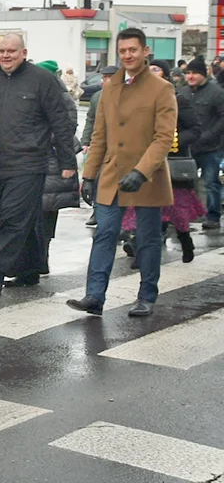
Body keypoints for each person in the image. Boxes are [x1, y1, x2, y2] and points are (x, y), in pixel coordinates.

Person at [68, 28, 177, 317]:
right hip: (112, 175)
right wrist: (89, 175)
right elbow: (100, 136)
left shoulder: (161, 89)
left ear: (145, 52)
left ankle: (147, 295)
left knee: (147, 237)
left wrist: (141, 172)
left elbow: (163, 138)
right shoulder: (109, 89)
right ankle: (94, 295)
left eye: (133, 50)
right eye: (123, 50)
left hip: (146, 177)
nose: (128, 55)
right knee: (104, 233)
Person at [0, 34, 77, 294]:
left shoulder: (43, 80)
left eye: (12, 51)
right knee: (7, 220)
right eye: (2, 51)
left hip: (29, 162)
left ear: (24, 53)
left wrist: (68, 160)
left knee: (14, 218)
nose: (7, 55)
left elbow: (61, 122)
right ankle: (29, 269)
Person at [118, 59, 202, 264]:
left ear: (165, 74)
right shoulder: (138, 96)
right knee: (141, 209)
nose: (152, 72)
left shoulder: (178, 98)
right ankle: (139, 249)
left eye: (157, 69)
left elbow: (194, 129)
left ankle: (185, 239)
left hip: (172, 162)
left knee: (176, 211)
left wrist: (172, 142)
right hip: (143, 162)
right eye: (150, 69)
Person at [37, 61, 81, 272]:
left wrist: (39, 137)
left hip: (52, 160)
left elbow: (67, 127)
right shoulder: (38, 93)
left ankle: (41, 258)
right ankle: (36, 259)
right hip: (38, 160)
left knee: (46, 211)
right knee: (37, 212)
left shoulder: (62, 97)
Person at [183, 58, 224, 230]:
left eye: (194, 73)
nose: (190, 77)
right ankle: (183, 216)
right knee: (184, 184)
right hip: (187, 148)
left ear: (204, 74)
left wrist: (209, 135)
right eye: (188, 73)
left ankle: (213, 216)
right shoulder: (182, 92)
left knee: (211, 182)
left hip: (210, 148)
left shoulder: (216, 92)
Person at [81, 65, 119, 226]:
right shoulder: (97, 97)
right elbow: (91, 120)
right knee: (95, 178)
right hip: (99, 144)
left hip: (116, 146)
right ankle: (96, 211)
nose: (106, 81)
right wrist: (85, 141)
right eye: (104, 78)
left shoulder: (124, 95)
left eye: (110, 77)